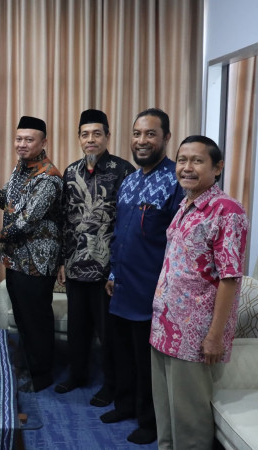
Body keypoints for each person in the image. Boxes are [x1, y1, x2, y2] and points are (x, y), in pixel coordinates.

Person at [150, 136, 248, 449]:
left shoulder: (226, 211)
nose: (187, 167)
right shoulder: (186, 205)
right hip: (164, 326)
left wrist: (215, 336)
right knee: (165, 415)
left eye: (197, 160)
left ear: (217, 168)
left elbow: (230, 278)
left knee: (189, 424)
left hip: (194, 335)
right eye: (182, 160)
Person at [102, 108, 185, 445]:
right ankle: (124, 405)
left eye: (150, 134)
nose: (142, 140)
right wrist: (112, 271)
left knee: (147, 361)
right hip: (121, 285)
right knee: (121, 353)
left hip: (152, 290)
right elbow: (120, 233)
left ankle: (149, 422)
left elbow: (178, 242)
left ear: (166, 137)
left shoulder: (176, 182)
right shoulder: (130, 180)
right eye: (137, 134)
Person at [0, 116, 62, 392]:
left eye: (29, 140)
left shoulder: (48, 177)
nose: (22, 144)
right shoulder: (20, 168)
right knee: (23, 318)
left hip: (37, 263)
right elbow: (6, 201)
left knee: (36, 320)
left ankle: (41, 376)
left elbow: (26, 221)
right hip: (15, 260)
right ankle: (27, 366)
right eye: (19, 139)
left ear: (43, 142)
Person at [55, 110, 135, 407]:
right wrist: (62, 260)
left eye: (97, 134)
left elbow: (127, 224)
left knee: (109, 332)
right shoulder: (70, 171)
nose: (91, 139)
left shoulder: (123, 171)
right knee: (78, 327)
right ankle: (77, 375)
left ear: (107, 136)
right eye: (85, 134)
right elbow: (65, 219)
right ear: (79, 138)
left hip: (107, 269)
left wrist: (117, 268)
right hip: (76, 263)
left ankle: (111, 385)